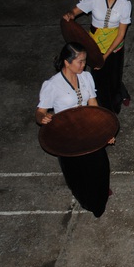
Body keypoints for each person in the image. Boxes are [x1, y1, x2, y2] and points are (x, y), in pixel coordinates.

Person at [36, 42, 114, 218]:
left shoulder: (86, 77)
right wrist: (43, 118)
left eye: (84, 61)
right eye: (79, 61)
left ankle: (100, 193)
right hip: (67, 136)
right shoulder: (52, 85)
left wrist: (104, 130)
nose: (83, 65)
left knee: (100, 166)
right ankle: (90, 200)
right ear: (67, 62)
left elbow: (93, 104)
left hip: (87, 129)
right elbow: (39, 112)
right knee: (78, 172)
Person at [63, 0, 132, 113]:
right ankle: (101, 105)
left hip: (114, 46)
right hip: (94, 45)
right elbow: (75, 11)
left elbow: (121, 34)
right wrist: (70, 14)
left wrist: (105, 56)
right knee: (97, 77)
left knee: (113, 75)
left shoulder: (125, 5)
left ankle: (115, 102)